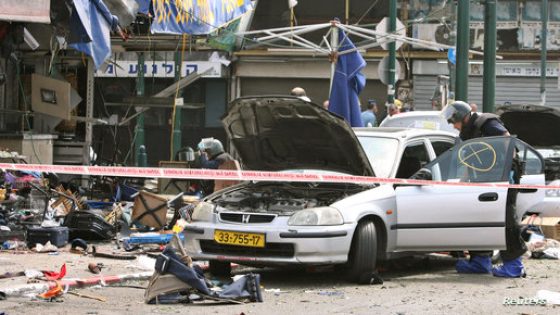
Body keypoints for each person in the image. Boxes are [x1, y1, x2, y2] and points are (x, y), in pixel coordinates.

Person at [441, 100, 526, 278]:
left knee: (506, 220)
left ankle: (514, 265)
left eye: (453, 122)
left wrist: (507, 170)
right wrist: (463, 183)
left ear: (462, 118)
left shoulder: (486, 123)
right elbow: (470, 159)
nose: (453, 127)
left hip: (503, 179)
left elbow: (506, 139)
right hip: (484, 180)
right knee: (479, 218)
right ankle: (480, 260)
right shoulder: (468, 132)